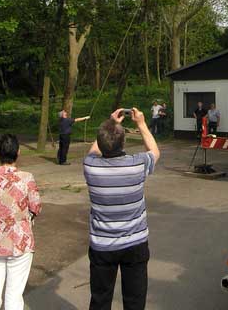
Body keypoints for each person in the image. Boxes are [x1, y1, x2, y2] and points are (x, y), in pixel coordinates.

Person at [83, 107, 160, 310]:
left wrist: (111, 122)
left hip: (102, 245)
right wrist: (142, 124)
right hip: (135, 245)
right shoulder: (137, 164)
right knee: (134, 301)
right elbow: (155, 152)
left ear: (100, 144)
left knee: (100, 300)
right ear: (124, 142)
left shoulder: (90, 166)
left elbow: (94, 150)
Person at [0, 134, 42, 310]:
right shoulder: (26, 177)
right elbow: (36, 205)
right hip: (19, 241)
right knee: (14, 295)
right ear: (18, 152)